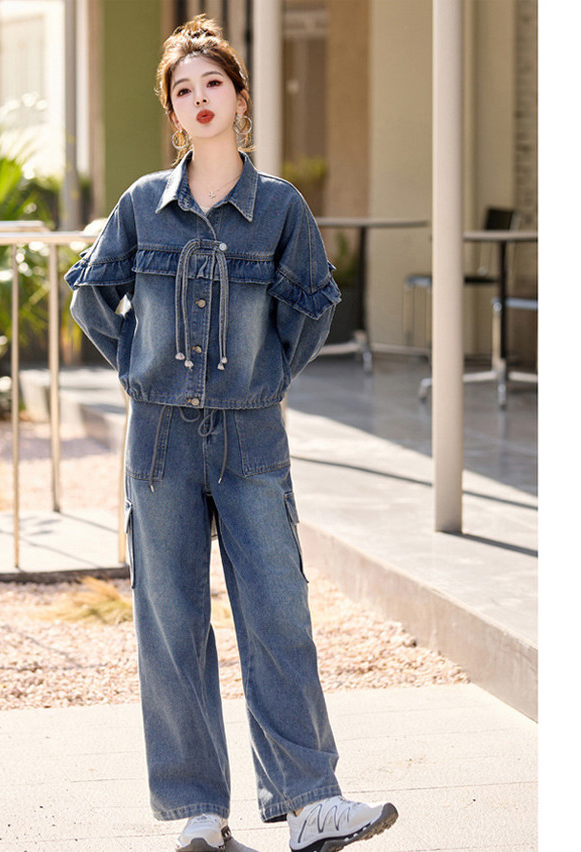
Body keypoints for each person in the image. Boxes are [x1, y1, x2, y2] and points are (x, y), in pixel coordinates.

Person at [65, 14, 398, 852]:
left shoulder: (279, 207)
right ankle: (198, 816)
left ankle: (310, 804)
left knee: (278, 614)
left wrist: (267, 379)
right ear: (173, 111)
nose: (200, 98)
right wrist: (141, 369)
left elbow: (313, 307)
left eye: (213, 82)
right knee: (170, 624)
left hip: (251, 443)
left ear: (241, 98)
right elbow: (92, 296)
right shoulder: (143, 204)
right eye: (184, 89)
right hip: (160, 445)